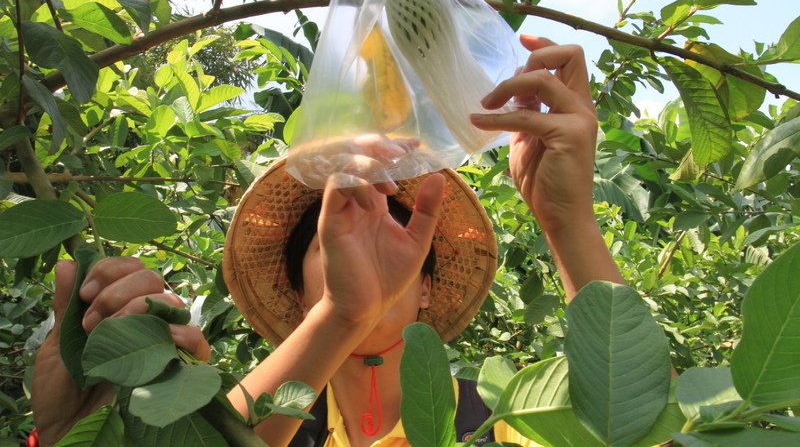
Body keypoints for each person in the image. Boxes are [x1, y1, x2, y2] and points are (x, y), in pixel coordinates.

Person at [31, 36, 625, 446]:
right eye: (328, 243)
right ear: (298, 291)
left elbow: (640, 427)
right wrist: (343, 314)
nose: (366, 249)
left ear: (427, 291)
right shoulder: (258, 423)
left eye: (396, 226)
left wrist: (567, 218)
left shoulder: (500, 421)